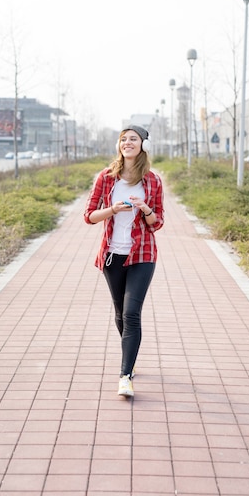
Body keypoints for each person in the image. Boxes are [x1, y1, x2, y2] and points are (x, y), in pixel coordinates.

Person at [84, 125, 164, 398]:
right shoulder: (106, 178)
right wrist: (112, 210)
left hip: (142, 255)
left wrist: (146, 209)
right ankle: (130, 355)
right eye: (123, 139)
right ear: (119, 146)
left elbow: (158, 223)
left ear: (143, 145)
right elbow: (89, 215)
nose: (128, 143)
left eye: (134, 139)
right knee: (120, 313)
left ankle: (125, 375)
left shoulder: (153, 180)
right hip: (112, 256)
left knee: (132, 313)